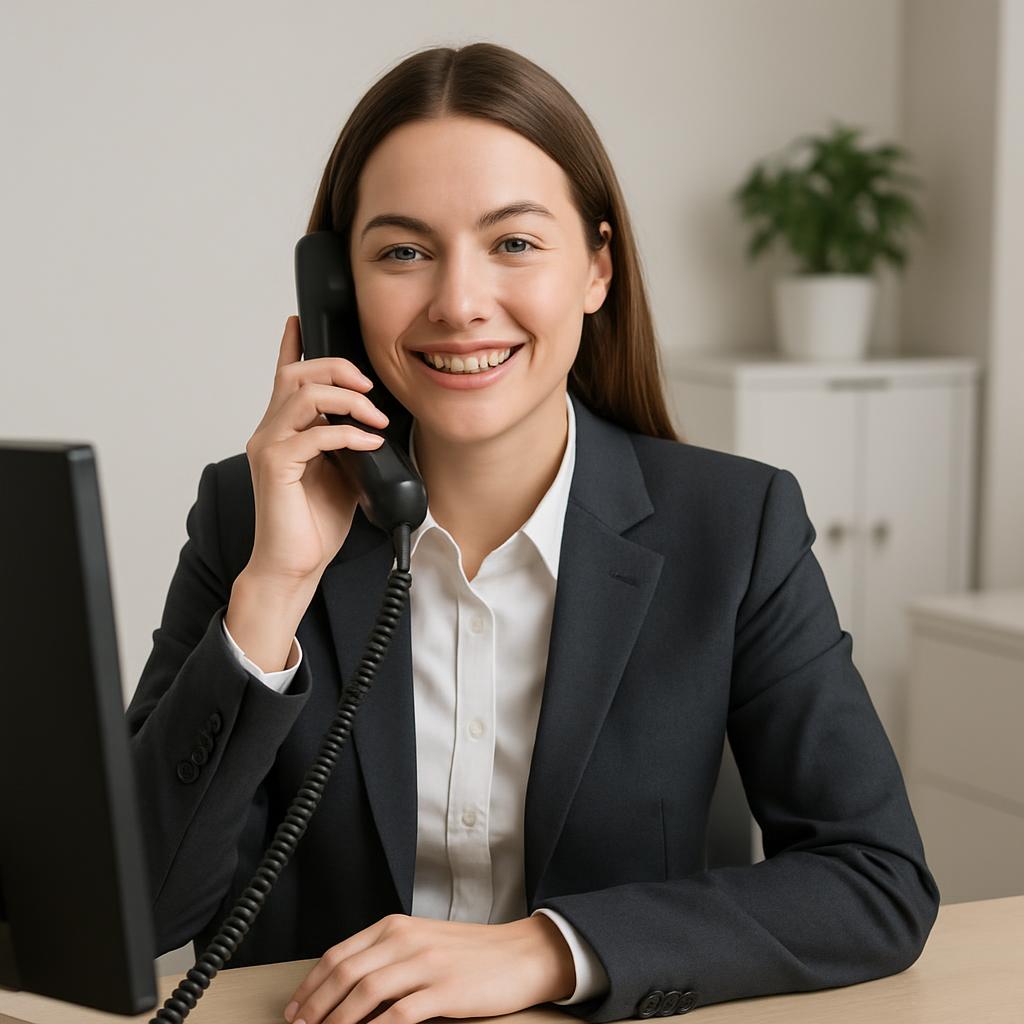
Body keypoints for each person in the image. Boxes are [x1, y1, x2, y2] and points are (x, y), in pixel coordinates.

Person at [126, 41, 940, 1024]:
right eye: (402, 251)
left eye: (513, 243)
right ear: (334, 291)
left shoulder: (735, 527)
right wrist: (271, 591)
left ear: (597, 269)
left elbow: (875, 877)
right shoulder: (249, 513)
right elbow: (136, 911)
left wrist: (549, 952)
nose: (460, 302)